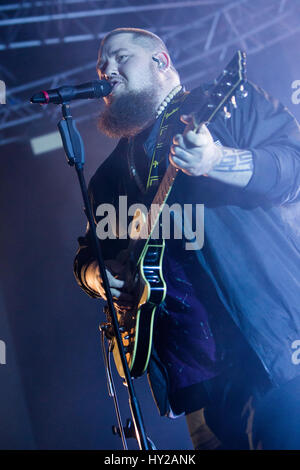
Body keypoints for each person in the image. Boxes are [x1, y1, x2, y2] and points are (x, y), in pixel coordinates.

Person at [74, 27, 300, 450]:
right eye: (102, 64)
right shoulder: (107, 179)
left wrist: (219, 160)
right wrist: (97, 276)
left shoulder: (224, 103)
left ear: (160, 61)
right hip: (195, 380)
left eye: (121, 57)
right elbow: (88, 255)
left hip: (269, 347)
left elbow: (294, 166)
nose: (107, 69)